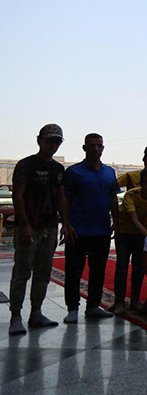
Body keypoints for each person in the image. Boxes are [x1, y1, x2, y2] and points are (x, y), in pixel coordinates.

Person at [9, 124, 67, 335]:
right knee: (22, 271)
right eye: (49, 140)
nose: (53, 145)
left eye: (57, 141)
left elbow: (61, 198)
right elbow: (17, 195)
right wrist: (24, 224)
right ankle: (16, 315)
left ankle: (36, 312)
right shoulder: (26, 165)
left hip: (49, 227)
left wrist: (65, 224)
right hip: (29, 227)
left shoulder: (58, 169)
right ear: (39, 140)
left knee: (43, 272)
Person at [62, 133, 119, 324]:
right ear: (84, 148)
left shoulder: (109, 172)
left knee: (98, 271)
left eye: (99, 145)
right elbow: (66, 199)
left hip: (101, 230)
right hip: (78, 230)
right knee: (73, 270)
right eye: (92, 145)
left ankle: (93, 306)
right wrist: (66, 224)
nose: (96, 148)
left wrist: (116, 221)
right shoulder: (74, 172)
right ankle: (72, 308)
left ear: (103, 148)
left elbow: (113, 198)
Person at [111, 168, 147, 315]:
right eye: (146, 182)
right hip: (124, 232)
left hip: (141, 234)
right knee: (122, 266)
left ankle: (134, 301)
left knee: (139, 268)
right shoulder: (131, 195)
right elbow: (134, 219)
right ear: (140, 183)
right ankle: (119, 302)